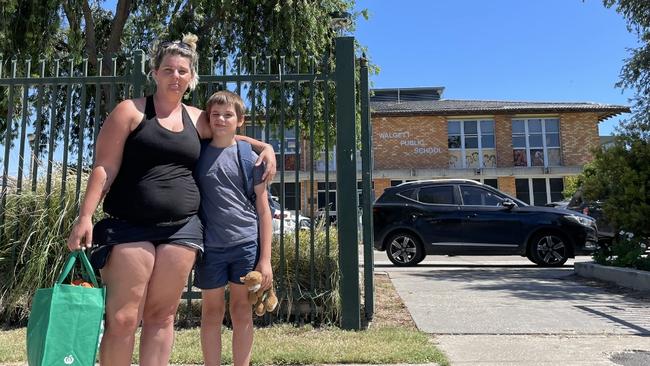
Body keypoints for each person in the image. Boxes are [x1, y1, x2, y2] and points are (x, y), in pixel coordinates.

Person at [65, 34, 276, 366]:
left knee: (161, 316)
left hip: (182, 229)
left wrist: (266, 148)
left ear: (191, 78)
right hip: (129, 225)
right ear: (155, 73)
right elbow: (105, 166)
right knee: (123, 319)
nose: (175, 76)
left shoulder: (197, 118)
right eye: (168, 70)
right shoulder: (130, 112)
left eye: (182, 71)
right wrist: (85, 216)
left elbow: (229, 132)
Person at [193, 90, 273, 366]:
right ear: (208, 118)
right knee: (211, 313)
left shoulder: (250, 158)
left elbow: (264, 210)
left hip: (245, 244)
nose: (221, 119)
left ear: (240, 120)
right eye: (215, 114)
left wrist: (265, 260)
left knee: (242, 311)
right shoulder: (197, 152)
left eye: (228, 115)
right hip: (210, 246)